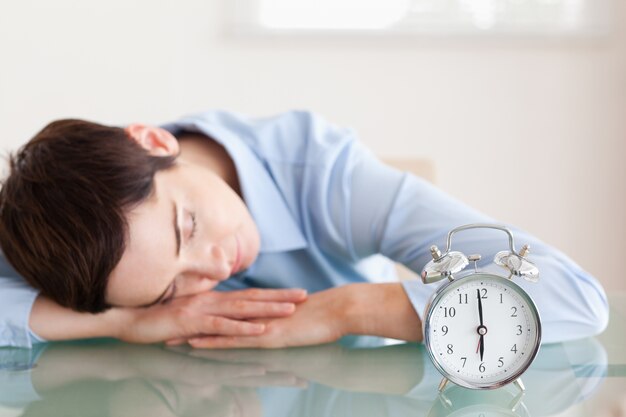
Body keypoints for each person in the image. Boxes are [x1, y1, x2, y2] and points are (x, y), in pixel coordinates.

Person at [0, 110, 609, 349]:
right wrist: (129, 320)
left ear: (156, 141)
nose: (214, 270)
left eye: (188, 228)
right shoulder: (61, 233)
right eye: (169, 289)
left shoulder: (321, 172)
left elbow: (574, 299)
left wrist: (344, 310)